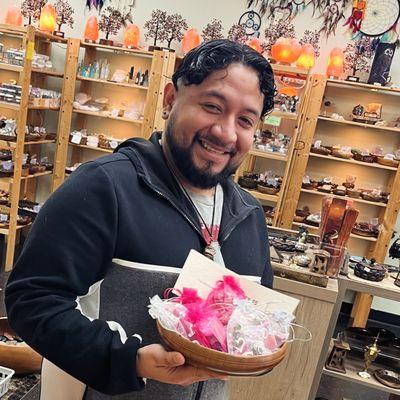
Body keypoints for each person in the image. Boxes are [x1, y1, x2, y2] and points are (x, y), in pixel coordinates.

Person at [5, 39, 275, 399]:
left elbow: (254, 317)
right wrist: (127, 361)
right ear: (169, 100)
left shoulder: (249, 216)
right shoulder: (105, 188)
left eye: (245, 120)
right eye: (212, 106)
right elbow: (32, 299)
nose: (226, 132)